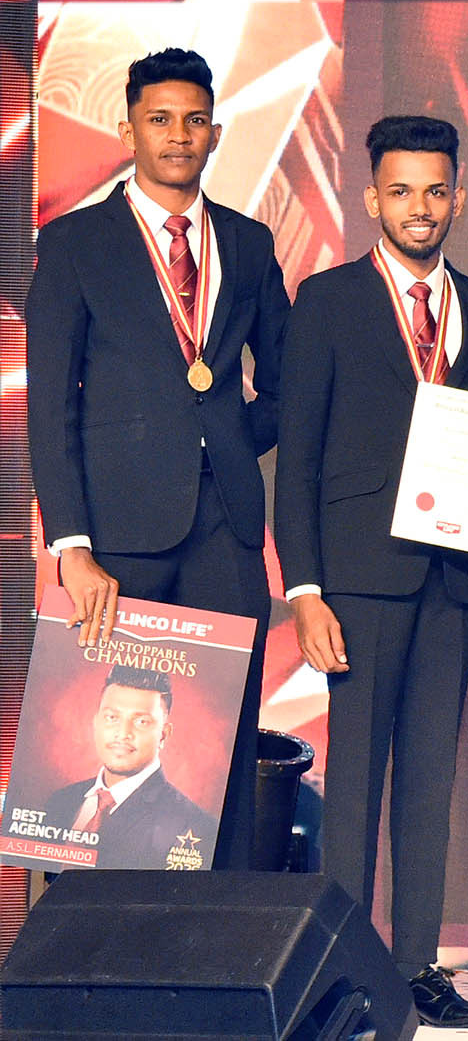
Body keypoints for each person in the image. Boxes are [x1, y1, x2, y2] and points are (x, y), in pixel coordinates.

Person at [276, 116, 468, 1024]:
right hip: (357, 581)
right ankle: (342, 976)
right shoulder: (327, 299)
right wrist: (306, 591)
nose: (420, 207)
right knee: (354, 792)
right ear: (372, 198)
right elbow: (298, 459)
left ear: (459, 198)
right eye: (401, 191)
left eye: (435, 191)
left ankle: (418, 968)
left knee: (428, 782)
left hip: (453, 574)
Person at [27, 48, 286, 869]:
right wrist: (72, 547)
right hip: (116, 537)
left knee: (225, 745)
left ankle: (221, 932)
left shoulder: (247, 243)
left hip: (227, 530)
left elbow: (285, 382)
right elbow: (50, 405)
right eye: (160, 119)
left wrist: (227, 440)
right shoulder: (74, 242)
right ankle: (96, 939)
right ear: (127, 128)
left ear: (216, 133)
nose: (179, 135)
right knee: (106, 735)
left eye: (194, 120)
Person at [16, 669, 218, 867]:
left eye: (141, 721)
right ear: (96, 722)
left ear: (163, 734)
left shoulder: (194, 827)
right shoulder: (61, 801)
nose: (123, 733)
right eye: (112, 717)